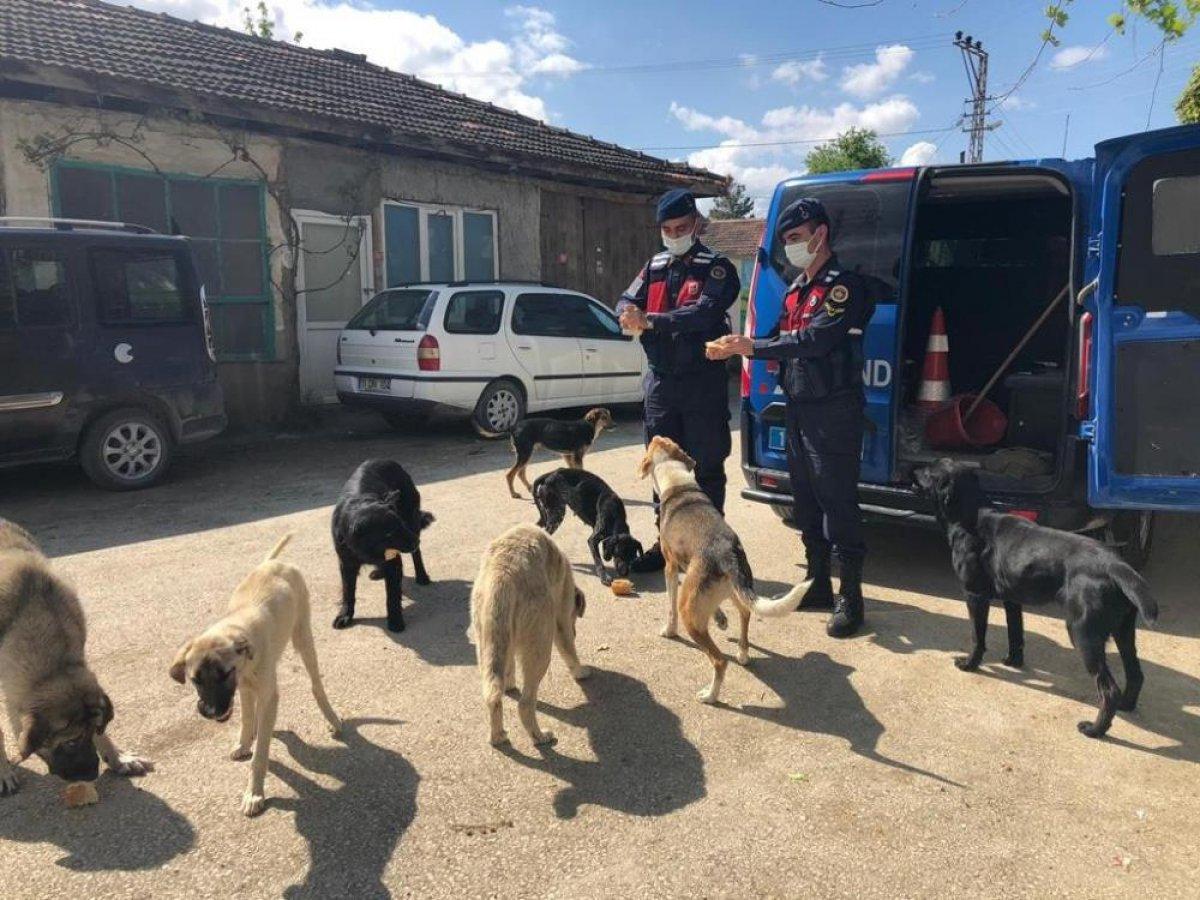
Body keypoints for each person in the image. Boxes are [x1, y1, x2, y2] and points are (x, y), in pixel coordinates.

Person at [707, 197, 873, 638]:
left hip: (834, 409)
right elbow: (779, 335)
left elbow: (817, 340)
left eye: (797, 238)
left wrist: (753, 349)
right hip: (799, 405)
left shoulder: (845, 287)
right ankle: (817, 583)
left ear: (821, 235)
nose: (792, 246)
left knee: (838, 501)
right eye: (786, 241)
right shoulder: (797, 288)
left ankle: (851, 598)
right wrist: (739, 341)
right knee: (806, 499)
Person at [617, 188, 740, 573]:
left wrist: (651, 320)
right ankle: (666, 545)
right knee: (663, 467)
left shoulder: (716, 267)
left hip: (701, 383)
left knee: (705, 466)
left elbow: (702, 314)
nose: (673, 234)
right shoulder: (654, 265)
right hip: (661, 383)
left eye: (681, 227)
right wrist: (629, 313)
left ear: (697, 224)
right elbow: (624, 300)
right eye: (667, 229)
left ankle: (712, 549)